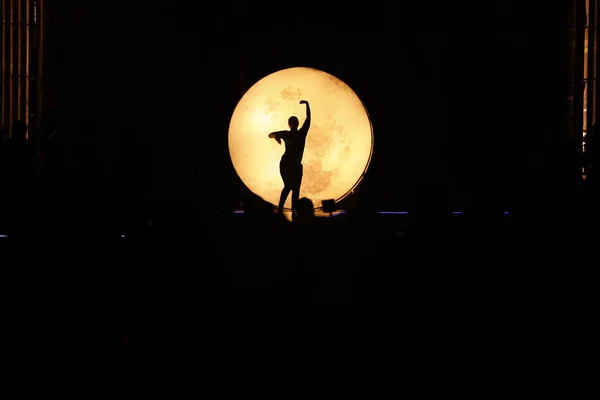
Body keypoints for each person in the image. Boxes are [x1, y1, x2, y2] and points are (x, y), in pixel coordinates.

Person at [268, 100, 311, 217]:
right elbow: (270, 134)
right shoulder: (287, 133)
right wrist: (276, 136)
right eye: (291, 122)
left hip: (296, 165)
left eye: (294, 122)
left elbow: (308, 120)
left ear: (296, 123)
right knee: (289, 186)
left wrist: (307, 105)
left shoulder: (301, 133)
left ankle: (294, 211)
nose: (293, 124)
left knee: (295, 189)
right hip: (286, 164)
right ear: (289, 124)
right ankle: (281, 208)